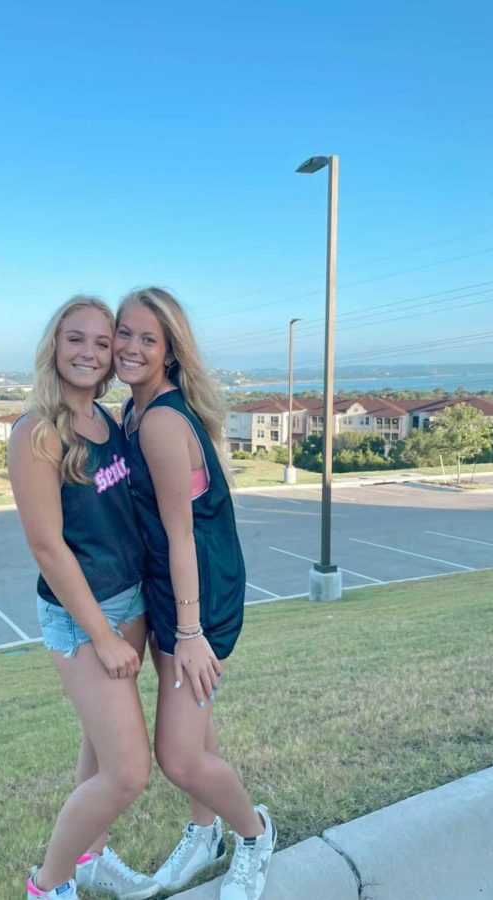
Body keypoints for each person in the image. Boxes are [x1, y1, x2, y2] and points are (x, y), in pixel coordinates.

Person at [114, 287, 277, 900]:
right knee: (195, 726)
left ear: (169, 351)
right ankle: (203, 832)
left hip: (199, 597)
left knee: (179, 756)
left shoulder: (158, 421)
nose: (130, 347)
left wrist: (189, 633)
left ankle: (255, 835)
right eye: (122, 333)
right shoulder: (137, 411)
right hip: (170, 586)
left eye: (146, 338)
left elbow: (182, 536)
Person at [8, 296, 160, 900]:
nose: (90, 353)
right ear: (55, 344)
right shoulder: (37, 433)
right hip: (83, 620)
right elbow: (48, 548)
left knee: (100, 748)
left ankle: (88, 859)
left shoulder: (111, 420)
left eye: (103, 343)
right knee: (127, 772)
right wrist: (100, 633)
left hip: (131, 601)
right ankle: (47, 887)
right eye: (77, 339)